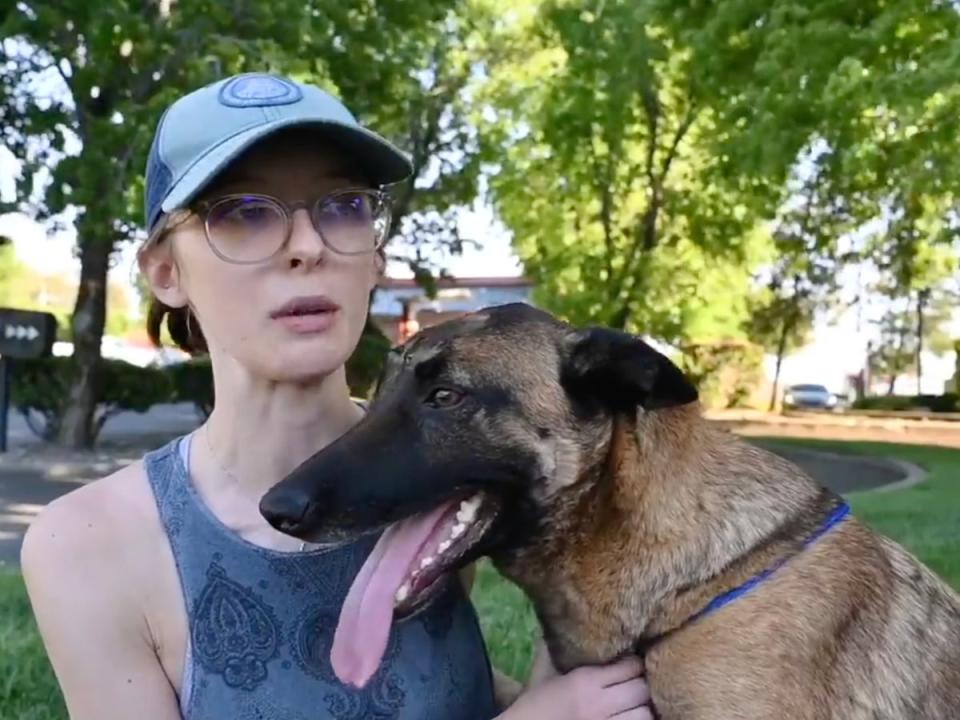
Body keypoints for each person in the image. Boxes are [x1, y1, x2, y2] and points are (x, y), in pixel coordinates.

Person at [21, 72, 654, 720]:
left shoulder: (446, 475)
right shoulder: (87, 546)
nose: (307, 246)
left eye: (343, 206)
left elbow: (434, 688)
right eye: (244, 213)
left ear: (374, 258)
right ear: (165, 271)